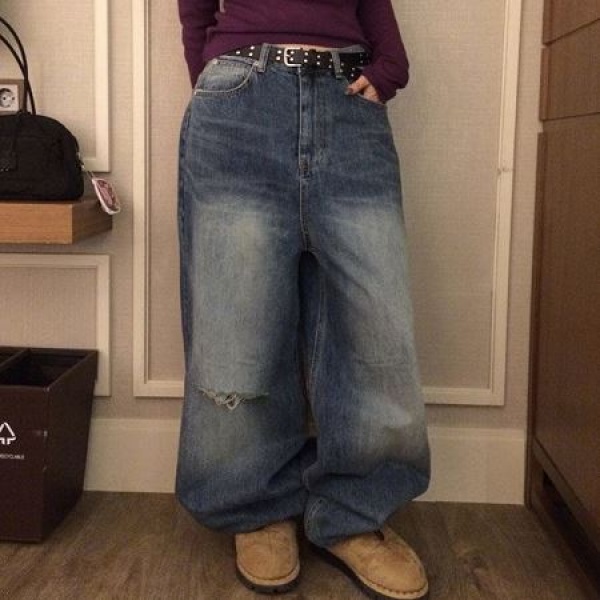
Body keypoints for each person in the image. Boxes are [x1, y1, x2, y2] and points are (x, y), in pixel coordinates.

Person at [175, 2, 431, 599]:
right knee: (238, 319)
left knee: (374, 324)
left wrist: (391, 63)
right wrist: (217, 78)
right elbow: (194, 9)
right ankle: (256, 507)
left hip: (349, 103)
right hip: (239, 99)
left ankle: (353, 513)